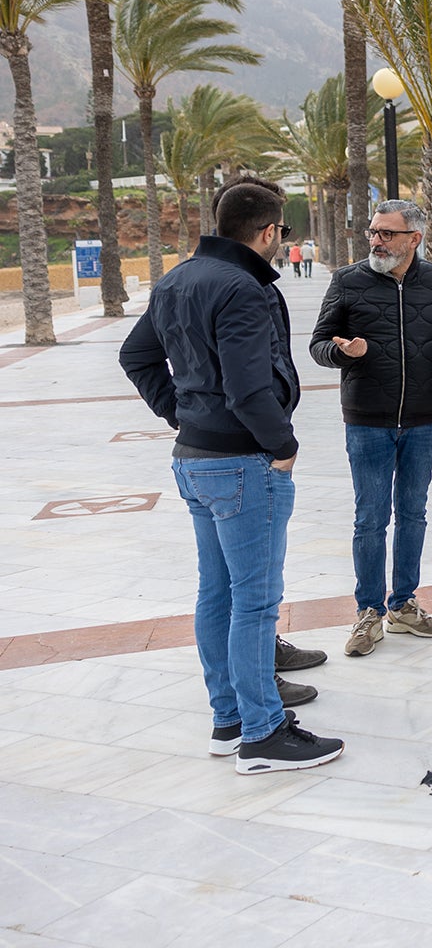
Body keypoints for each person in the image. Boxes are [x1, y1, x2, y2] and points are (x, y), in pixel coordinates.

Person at [118, 175, 345, 774]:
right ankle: (263, 735)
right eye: (281, 232)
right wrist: (283, 444)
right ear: (268, 232)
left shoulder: (178, 278)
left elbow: (136, 356)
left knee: (216, 593)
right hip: (242, 463)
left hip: (194, 459)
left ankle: (229, 721)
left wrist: (181, 414)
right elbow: (248, 388)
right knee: (255, 603)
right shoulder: (243, 287)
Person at [311, 200, 432, 658]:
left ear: (414, 239)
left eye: (387, 233)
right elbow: (318, 345)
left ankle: (403, 605)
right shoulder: (347, 281)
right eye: (373, 232)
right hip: (367, 421)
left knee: (413, 513)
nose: (376, 241)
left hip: (425, 421)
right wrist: (342, 352)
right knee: (370, 518)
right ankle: (368, 611)